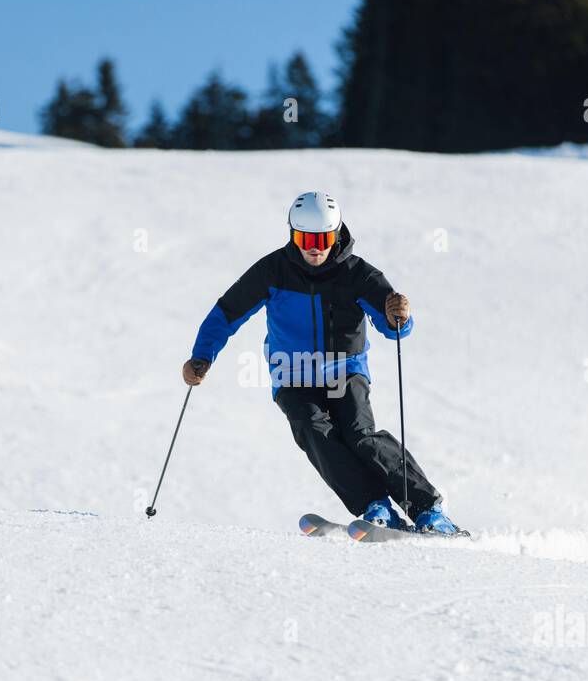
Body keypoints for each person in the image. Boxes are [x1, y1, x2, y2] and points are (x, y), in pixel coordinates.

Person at [182, 191, 460, 534]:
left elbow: (396, 328)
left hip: (344, 370)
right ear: (292, 234)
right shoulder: (272, 271)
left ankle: (427, 509)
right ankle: (375, 506)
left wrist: (398, 316)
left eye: (322, 238)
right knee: (315, 433)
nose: (313, 247)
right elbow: (226, 312)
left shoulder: (359, 274)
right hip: (292, 373)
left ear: (336, 233)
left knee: (360, 435)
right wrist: (201, 355)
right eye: (304, 238)